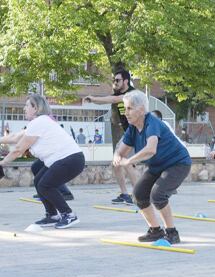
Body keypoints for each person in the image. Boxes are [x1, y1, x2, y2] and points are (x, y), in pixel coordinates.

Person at [114, 91, 192, 243]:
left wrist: (129, 161)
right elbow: (121, 151)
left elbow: (151, 149)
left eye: (129, 108)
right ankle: (155, 231)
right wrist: (117, 157)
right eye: (125, 109)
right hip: (157, 166)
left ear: (141, 110)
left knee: (158, 195)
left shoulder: (152, 123)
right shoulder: (132, 128)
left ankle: (172, 233)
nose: (126, 113)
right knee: (138, 195)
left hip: (177, 163)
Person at [0, 94, 84, 228]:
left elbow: (18, 149)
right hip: (64, 159)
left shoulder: (39, 122)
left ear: (36, 108)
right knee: (39, 181)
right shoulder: (39, 122)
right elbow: (15, 137)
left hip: (70, 159)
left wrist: (2, 163)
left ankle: (68, 214)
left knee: (45, 185)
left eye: (27, 105)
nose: (24, 109)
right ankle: (52, 215)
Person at [84, 69, 138, 205]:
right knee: (117, 162)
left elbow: (112, 99)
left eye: (118, 80)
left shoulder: (131, 94)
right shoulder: (120, 93)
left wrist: (93, 99)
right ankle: (125, 194)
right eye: (114, 80)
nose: (115, 82)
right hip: (129, 132)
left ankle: (139, 194)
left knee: (125, 162)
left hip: (138, 130)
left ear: (126, 81)